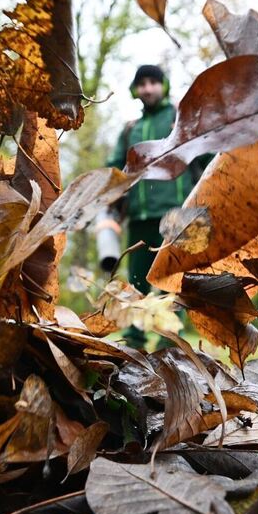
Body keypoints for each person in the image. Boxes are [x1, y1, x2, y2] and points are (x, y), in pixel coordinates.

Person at [106, 64, 212, 349]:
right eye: (142, 83)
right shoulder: (131, 130)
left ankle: (171, 343)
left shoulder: (181, 119)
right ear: (135, 90)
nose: (148, 88)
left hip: (180, 215)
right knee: (137, 283)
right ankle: (134, 343)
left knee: (177, 283)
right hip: (139, 216)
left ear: (162, 86)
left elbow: (209, 155)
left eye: (153, 82)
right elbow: (114, 168)